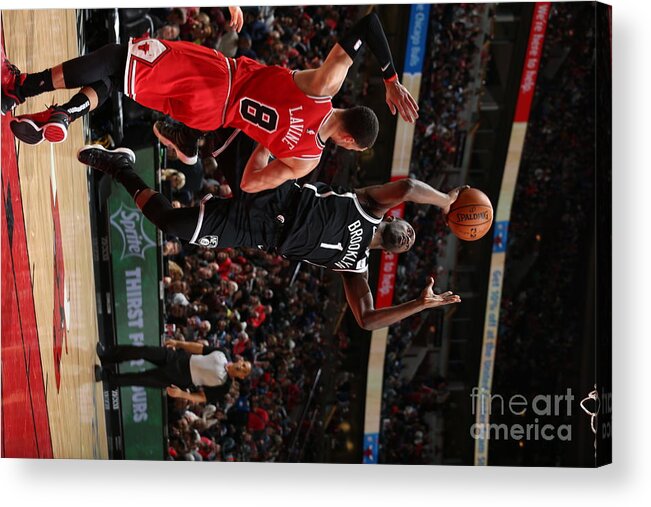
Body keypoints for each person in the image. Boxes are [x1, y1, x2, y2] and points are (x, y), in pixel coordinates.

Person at [2, 10, 418, 192]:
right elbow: (250, 182)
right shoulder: (306, 160)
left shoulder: (324, 86)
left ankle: (20, 87)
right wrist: (268, 142)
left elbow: (369, 23)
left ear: (350, 112)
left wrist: (390, 80)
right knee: (118, 79)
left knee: (116, 58)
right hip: (211, 117)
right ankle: (64, 114)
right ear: (347, 141)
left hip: (218, 77)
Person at [77, 144, 463, 331]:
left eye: (411, 241)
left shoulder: (355, 269)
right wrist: (445, 201)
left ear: (394, 252)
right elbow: (410, 185)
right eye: (411, 227)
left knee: (170, 224)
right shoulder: (370, 205)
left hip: (258, 232)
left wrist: (419, 304)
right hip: (275, 191)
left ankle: (120, 165)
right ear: (397, 217)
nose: (409, 234)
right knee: (221, 136)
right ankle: (187, 149)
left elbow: (366, 320)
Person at [95, 339, 251, 404]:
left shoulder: (225, 385)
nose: (242, 367)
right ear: (241, 360)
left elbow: (203, 397)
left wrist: (183, 395)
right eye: (244, 364)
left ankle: (108, 377)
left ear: (241, 377)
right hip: (179, 358)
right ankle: (107, 355)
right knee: (143, 350)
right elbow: (200, 348)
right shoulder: (222, 352)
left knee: (141, 378)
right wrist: (179, 343)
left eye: (244, 370)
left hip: (181, 378)